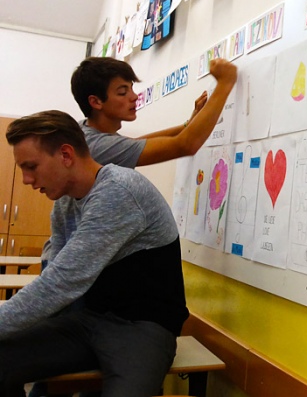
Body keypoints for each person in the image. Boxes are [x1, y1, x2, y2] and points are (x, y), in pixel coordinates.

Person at [0, 111, 189, 396]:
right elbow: (55, 275)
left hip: (143, 327)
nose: (26, 179)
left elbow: (63, 282)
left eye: (31, 167)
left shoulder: (119, 191)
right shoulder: (64, 203)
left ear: (66, 155)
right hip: (90, 320)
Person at [70, 56, 238, 168]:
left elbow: (134, 143)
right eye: (122, 92)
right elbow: (185, 145)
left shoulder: (85, 131)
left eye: (131, 89)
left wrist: (188, 125)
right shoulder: (95, 146)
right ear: (96, 102)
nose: (134, 97)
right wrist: (225, 83)